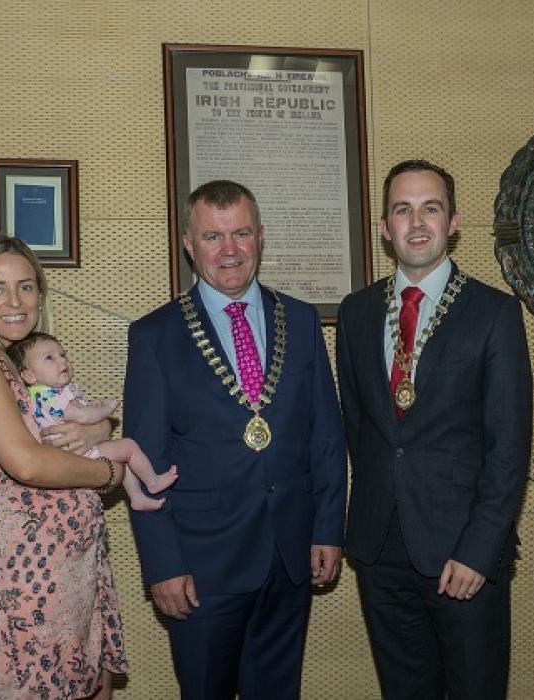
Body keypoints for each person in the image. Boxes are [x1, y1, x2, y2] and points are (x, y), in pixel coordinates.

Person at [123, 180, 347, 699]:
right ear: (188, 243)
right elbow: (143, 461)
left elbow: (326, 438)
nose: (229, 251)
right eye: (213, 237)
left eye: (241, 234)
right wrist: (163, 564)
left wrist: (328, 528)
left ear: (260, 237)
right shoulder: (155, 336)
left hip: (290, 557)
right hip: (202, 567)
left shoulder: (302, 319)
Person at [336, 159, 533, 699]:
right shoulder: (354, 314)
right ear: (384, 226)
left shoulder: (494, 313)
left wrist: (479, 549)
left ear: (453, 222)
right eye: (403, 209)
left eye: (431, 208)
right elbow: (358, 432)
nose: (416, 222)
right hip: (379, 550)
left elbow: (509, 447)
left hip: (462, 551)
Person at [0, 236, 138, 699]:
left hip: (76, 572)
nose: (14, 302)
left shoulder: (26, 361)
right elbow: (27, 463)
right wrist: (114, 473)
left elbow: (70, 424)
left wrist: (96, 431)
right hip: (26, 584)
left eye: (26, 287)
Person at [5, 331, 177, 511]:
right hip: (78, 454)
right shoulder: (51, 396)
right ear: (29, 376)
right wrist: (106, 409)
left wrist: (92, 409)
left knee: (122, 459)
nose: (62, 361)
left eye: (62, 355)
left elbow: (77, 416)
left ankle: (136, 497)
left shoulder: (40, 396)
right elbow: (83, 416)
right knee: (129, 447)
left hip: (70, 454)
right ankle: (152, 482)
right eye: (49, 358)